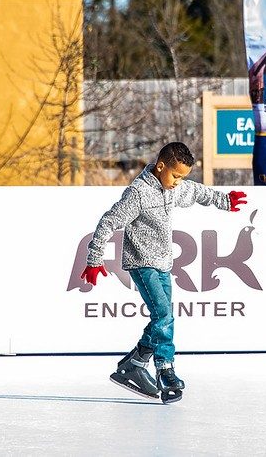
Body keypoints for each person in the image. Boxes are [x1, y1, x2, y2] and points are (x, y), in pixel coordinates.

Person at [79, 142, 247, 403]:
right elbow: (109, 221)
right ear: (160, 167)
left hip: (163, 264)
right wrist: (94, 259)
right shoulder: (138, 193)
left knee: (163, 318)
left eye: (182, 177)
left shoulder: (173, 189)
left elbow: (197, 192)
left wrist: (223, 200)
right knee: (164, 315)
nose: (179, 182)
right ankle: (165, 369)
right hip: (141, 263)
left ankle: (135, 363)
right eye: (176, 175)